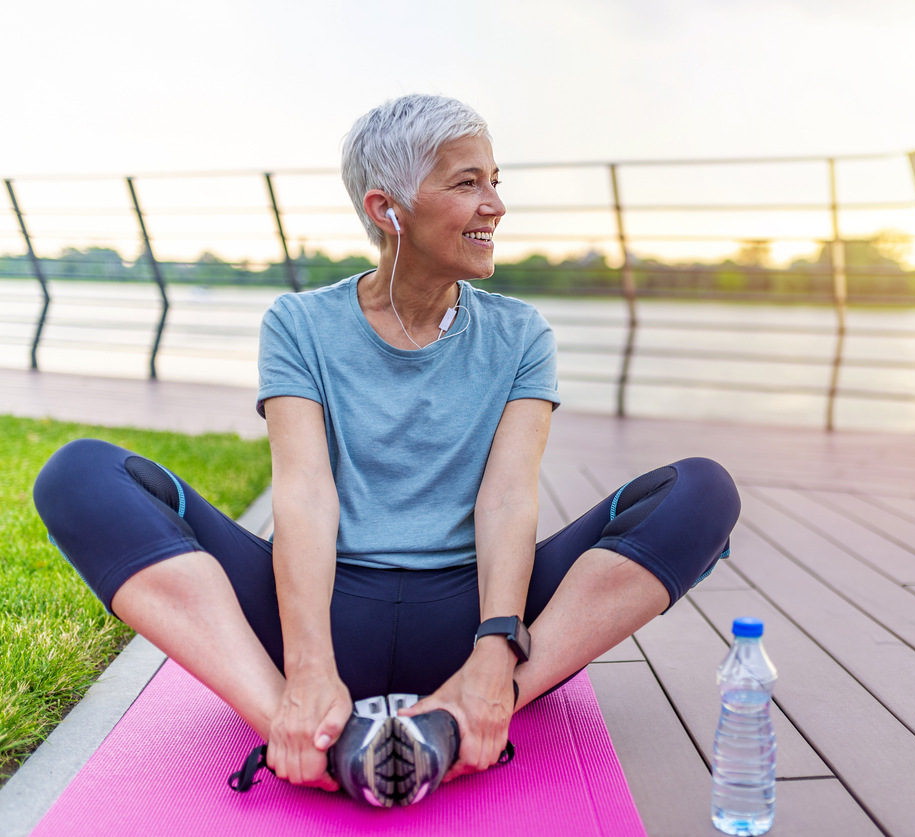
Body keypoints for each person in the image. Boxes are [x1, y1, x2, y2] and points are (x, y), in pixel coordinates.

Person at [33, 93, 740, 807]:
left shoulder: (523, 335)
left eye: (496, 181)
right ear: (386, 208)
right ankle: (299, 725)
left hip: (472, 625)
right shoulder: (300, 322)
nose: (495, 204)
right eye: (468, 183)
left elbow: (507, 497)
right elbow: (305, 491)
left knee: (703, 492)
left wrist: (496, 650)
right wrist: (309, 666)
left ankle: (464, 714)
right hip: (316, 614)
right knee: (80, 474)